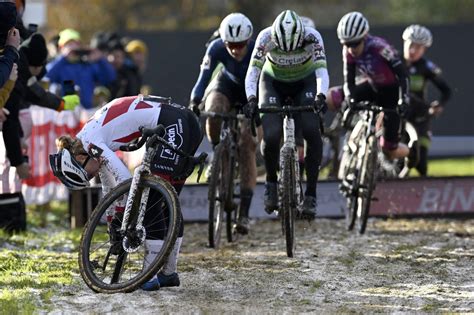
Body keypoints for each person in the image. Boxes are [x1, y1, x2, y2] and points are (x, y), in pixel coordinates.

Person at [50, 94, 203, 291]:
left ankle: (148, 276)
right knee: (167, 201)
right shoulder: (89, 139)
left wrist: (122, 213)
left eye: (86, 175)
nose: (91, 176)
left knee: (151, 204)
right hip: (184, 121)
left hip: (173, 124)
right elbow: (108, 187)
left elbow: (123, 179)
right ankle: (168, 273)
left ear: (80, 158)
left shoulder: (89, 142)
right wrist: (113, 218)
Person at [244, 10, 329, 219]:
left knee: (311, 130)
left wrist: (320, 96)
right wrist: (252, 100)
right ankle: (271, 182)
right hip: (272, 83)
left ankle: (311, 194)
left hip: (305, 83)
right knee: (271, 135)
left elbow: (322, 72)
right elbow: (253, 72)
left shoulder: (312, 37)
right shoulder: (265, 37)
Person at [188, 13, 257, 234]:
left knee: (248, 144)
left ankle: (244, 213)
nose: (236, 50)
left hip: (252, 92)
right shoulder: (216, 47)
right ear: (223, 41)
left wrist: (256, 107)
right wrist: (194, 101)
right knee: (214, 110)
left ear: (249, 41)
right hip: (226, 85)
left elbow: (265, 82)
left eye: (241, 45)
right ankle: (217, 153)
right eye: (231, 45)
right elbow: (203, 79)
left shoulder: (258, 50)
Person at [336, 11, 410, 160]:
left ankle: (412, 153)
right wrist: (350, 98)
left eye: (355, 43)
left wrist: (404, 98)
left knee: (389, 149)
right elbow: (348, 80)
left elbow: (403, 74)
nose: (351, 48)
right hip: (372, 86)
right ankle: (333, 139)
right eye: (346, 44)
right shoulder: (348, 52)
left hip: (392, 92)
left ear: (364, 37)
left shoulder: (380, 48)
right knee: (333, 97)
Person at [402, 24, 451, 176]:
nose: (412, 51)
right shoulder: (394, 62)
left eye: (418, 48)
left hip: (420, 119)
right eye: (411, 45)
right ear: (404, 42)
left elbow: (446, 90)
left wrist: (439, 105)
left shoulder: (426, 67)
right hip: (399, 116)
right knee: (397, 161)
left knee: (420, 163)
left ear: (424, 50)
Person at [46, 28, 116, 109]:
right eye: (69, 44)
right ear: (61, 48)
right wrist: (63, 58)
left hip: (88, 112)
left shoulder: (88, 65)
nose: (73, 47)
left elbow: (109, 78)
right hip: (67, 112)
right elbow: (46, 77)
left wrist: (100, 59)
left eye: (76, 44)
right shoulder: (59, 66)